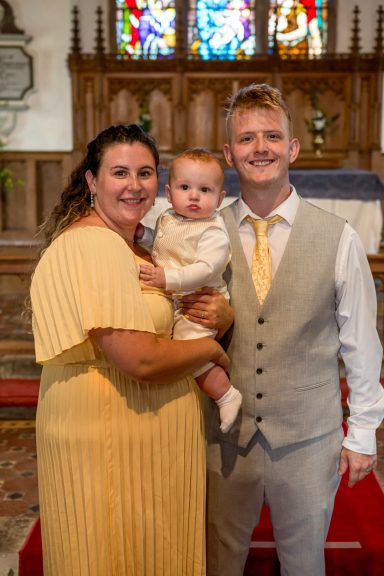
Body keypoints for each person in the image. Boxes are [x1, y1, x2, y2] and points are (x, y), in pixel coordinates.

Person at [29, 124, 231, 576]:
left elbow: (187, 314)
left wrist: (224, 318)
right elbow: (140, 358)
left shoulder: (138, 248)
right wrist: (212, 355)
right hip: (107, 443)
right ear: (91, 180)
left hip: (147, 446)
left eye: (145, 173)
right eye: (120, 172)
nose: (134, 185)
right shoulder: (91, 245)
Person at [199, 83, 384, 576]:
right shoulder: (206, 236)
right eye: (247, 139)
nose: (260, 148)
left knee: (304, 564)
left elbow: (363, 344)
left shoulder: (338, 237)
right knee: (220, 559)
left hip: (308, 438)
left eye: (272, 136)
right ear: (229, 153)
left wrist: (363, 432)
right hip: (223, 440)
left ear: (292, 148)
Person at [139, 147, 242, 433]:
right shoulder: (168, 218)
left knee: (188, 352)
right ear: (169, 193)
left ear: (220, 199)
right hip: (174, 299)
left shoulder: (213, 231)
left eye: (205, 190)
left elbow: (204, 270)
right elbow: (162, 243)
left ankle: (225, 394)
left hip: (199, 305)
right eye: (185, 187)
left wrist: (166, 279)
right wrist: (143, 236)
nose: (194, 195)